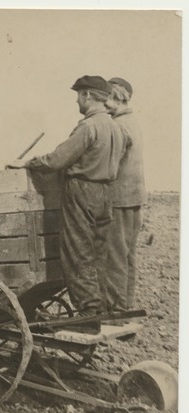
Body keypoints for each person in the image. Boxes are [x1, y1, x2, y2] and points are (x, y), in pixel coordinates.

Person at [7, 75, 130, 334]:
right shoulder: (117, 128)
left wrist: (27, 163)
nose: (77, 101)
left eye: (78, 95)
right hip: (106, 194)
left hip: (83, 192)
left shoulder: (88, 127)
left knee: (78, 251)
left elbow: (57, 159)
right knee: (98, 253)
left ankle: (87, 313)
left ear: (87, 95)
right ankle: (98, 308)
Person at [104, 77, 145, 312]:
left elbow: (109, 165)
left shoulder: (118, 126)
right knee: (128, 256)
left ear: (117, 97)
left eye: (107, 98)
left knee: (115, 257)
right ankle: (126, 307)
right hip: (134, 198)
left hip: (119, 200)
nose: (104, 104)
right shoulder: (133, 121)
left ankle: (116, 310)